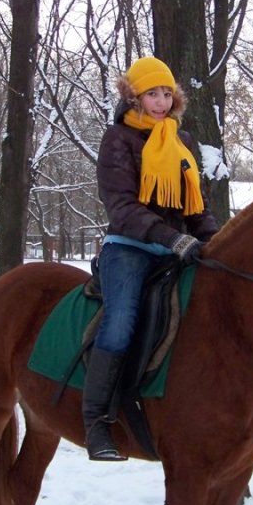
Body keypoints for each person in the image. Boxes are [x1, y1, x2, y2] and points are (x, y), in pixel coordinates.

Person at [83, 56, 219, 461]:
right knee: (122, 319)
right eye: (151, 94)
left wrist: (213, 241)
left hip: (178, 247)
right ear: (134, 97)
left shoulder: (182, 141)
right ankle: (96, 421)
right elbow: (121, 206)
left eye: (165, 94)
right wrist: (170, 238)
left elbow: (197, 206)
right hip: (129, 247)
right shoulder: (118, 139)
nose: (160, 102)